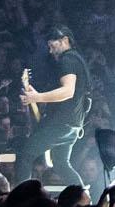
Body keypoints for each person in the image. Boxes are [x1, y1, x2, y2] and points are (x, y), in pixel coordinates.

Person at [20, 24, 88, 183]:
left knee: (25, 155)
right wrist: (37, 96)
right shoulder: (78, 60)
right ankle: (82, 195)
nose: (50, 51)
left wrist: (37, 97)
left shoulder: (67, 59)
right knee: (61, 164)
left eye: (52, 46)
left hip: (61, 122)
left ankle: (21, 196)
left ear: (65, 40)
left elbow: (67, 91)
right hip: (73, 124)